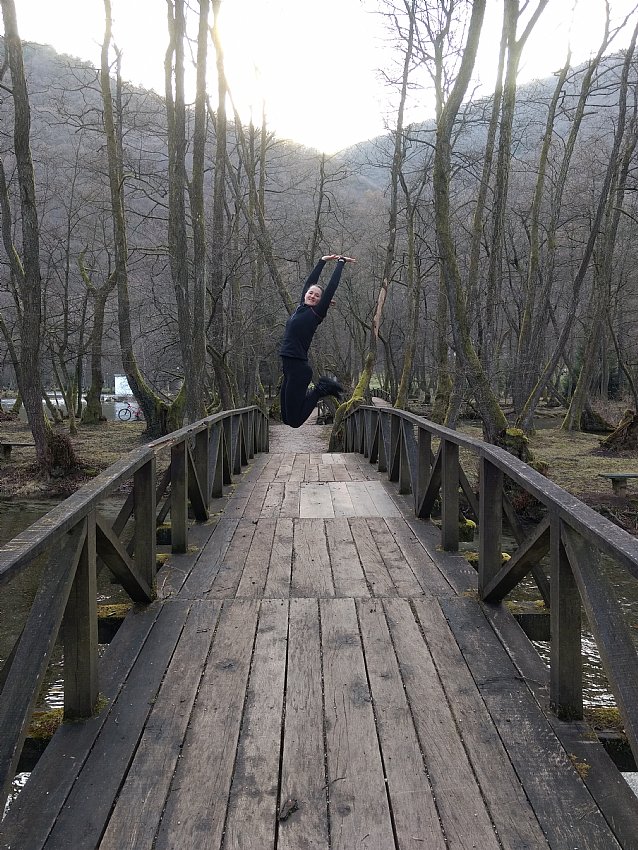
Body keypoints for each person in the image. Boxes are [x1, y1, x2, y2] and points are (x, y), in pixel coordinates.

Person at [279, 253, 356, 428]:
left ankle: (321, 389)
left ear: (322, 301)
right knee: (286, 418)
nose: (312, 296)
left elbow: (331, 288)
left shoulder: (316, 313)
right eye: (310, 293)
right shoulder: (301, 308)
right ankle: (320, 389)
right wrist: (322, 261)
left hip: (298, 370)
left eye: (317, 296)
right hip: (289, 369)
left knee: (295, 422)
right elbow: (310, 282)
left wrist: (340, 262)